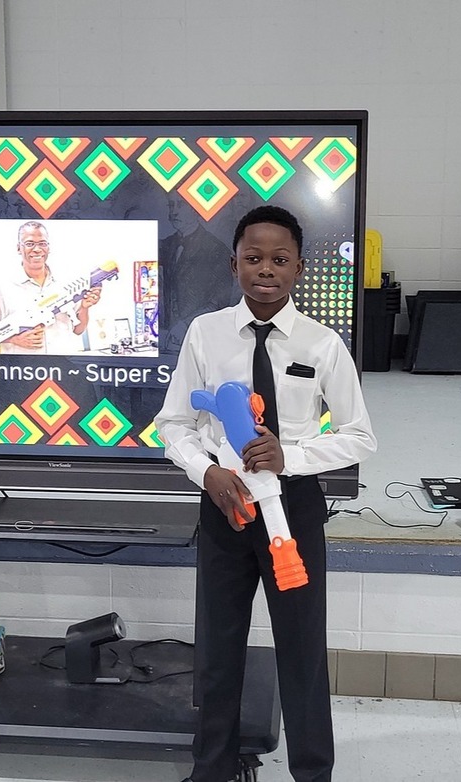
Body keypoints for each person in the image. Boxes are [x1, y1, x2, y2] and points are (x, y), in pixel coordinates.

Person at [155, 205, 377, 782]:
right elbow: (173, 424)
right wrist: (207, 473)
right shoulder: (206, 334)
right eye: (253, 258)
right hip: (225, 505)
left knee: (302, 651)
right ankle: (212, 770)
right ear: (234, 265)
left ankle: (313, 773)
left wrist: (291, 457)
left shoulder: (323, 344)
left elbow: (359, 436)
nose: (266, 270)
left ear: (299, 268)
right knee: (218, 649)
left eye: (280, 260)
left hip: (292, 512)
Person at [0, 221, 102, 355]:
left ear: (48, 247)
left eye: (42, 243)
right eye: (29, 244)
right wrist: (14, 339)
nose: (37, 249)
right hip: (23, 366)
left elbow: (79, 330)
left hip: (63, 363)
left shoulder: (67, 283)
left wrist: (85, 307)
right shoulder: (0, 288)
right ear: (18, 248)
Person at [159, 194, 239, 354]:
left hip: (203, 343)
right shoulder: (165, 245)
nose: (174, 212)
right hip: (165, 342)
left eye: (181, 205)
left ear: (196, 209)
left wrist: (186, 325)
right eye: (171, 205)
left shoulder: (217, 250)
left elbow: (219, 302)